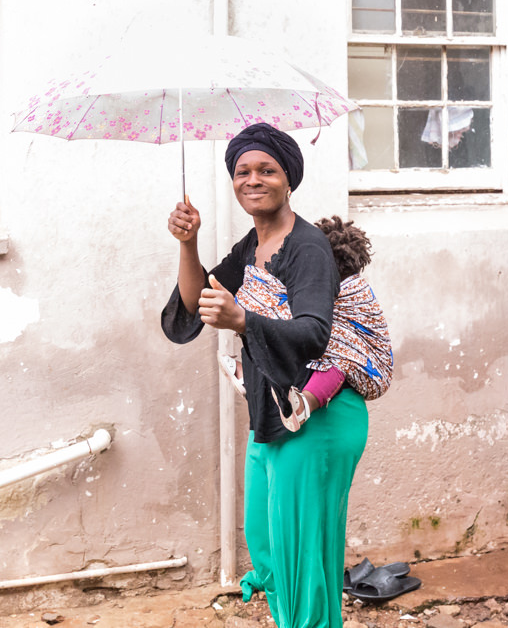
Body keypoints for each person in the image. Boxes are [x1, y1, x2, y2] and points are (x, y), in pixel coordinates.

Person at [162, 122, 368, 628]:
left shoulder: (307, 248)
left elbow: (314, 334)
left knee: (303, 566)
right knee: (272, 554)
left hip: (317, 420)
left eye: (266, 170)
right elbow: (195, 303)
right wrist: (189, 245)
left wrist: (243, 320)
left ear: (288, 179)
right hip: (272, 414)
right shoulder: (253, 246)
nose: (252, 179)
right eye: (242, 171)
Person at [224, 215, 393, 431]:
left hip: (355, 372)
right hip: (276, 417)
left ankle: (305, 403)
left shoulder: (352, 291)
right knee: (284, 333)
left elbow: (362, 332)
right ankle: (254, 380)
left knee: (339, 359)